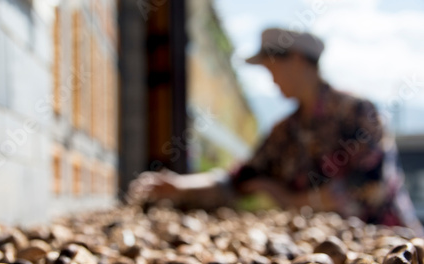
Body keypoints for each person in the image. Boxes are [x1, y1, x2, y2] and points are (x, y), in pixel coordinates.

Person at [128, 27, 423, 233]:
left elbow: (368, 189)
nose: (271, 80)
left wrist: (288, 198)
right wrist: (180, 186)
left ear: (295, 60)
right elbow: (241, 178)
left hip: (390, 243)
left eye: (271, 68)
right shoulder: (284, 133)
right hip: (323, 251)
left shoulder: (358, 113)